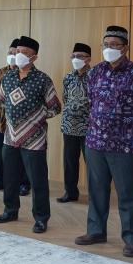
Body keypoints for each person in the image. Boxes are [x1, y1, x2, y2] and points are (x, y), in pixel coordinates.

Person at [75, 25, 133, 258]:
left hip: (125, 145)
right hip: (95, 143)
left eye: (114, 45)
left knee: (128, 194)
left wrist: (132, 124)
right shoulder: (95, 72)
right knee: (96, 191)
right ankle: (96, 231)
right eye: (106, 44)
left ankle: (132, 239)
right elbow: (91, 101)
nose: (109, 48)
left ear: (125, 48)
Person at [0, 36, 61, 232]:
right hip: (10, 137)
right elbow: (3, 101)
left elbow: (55, 107)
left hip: (35, 139)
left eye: (24, 52)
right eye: (17, 52)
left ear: (34, 57)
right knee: (10, 178)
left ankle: (41, 218)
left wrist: (36, 117)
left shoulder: (43, 79)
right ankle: (10, 210)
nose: (18, 55)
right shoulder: (7, 77)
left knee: (38, 181)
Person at [0, 40, 28, 195]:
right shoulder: (0, 73)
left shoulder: (25, 73)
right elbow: (1, 95)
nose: (12, 56)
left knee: (21, 154)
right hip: (0, 120)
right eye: (10, 53)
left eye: (15, 53)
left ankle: (23, 183)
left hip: (18, 123)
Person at [58, 42, 91, 203]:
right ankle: (70, 192)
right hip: (69, 125)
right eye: (74, 56)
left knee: (92, 163)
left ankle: (95, 195)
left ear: (88, 58)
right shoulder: (68, 77)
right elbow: (65, 98)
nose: (76, 59)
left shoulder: (95, 76)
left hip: (89, 126)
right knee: (69, 161)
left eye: (80, 56)